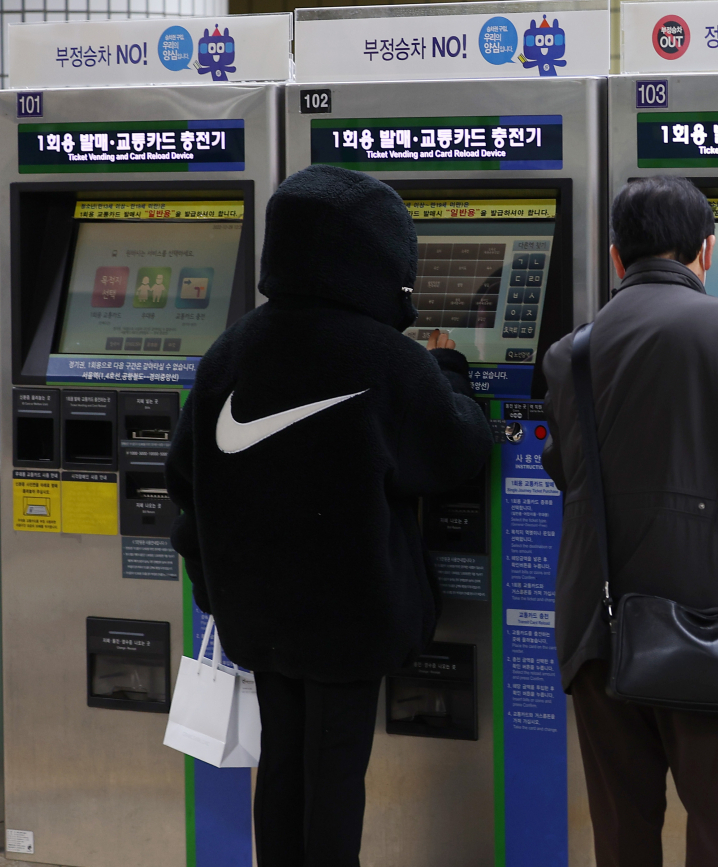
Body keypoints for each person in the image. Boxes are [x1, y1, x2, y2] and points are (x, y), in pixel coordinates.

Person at [165, 165, 493, 867]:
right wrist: (453, 372)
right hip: (350, 616)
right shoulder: (384, 358)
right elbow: (459, 449)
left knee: (282, 763)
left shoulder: (230, 351)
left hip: (256, 614)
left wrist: (212, 589)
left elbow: (185, 480)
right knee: (335, 773)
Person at [539, 175, 718, 867]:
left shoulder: (571, 351)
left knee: (623, 834)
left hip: (597, 625)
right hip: (706, 625)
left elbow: (566, 466)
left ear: (615, 257)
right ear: (706, 250)